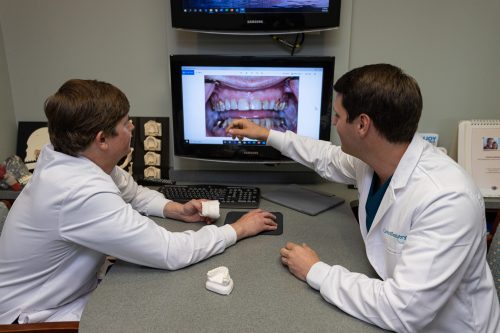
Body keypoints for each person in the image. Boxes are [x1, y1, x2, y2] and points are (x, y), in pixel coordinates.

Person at [226, 64, 500, 332]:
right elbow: (326, 156)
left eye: (337, 116)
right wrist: (266, 134)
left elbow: (404, 311)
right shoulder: (373, 162)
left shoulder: (447, 199)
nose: (334, 124)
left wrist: (316, 271)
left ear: (362, 124)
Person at [0, 79, 277, 324]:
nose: (132, 126)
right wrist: (238, 229)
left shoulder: (74, 160)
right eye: (125, 123)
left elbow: (133, 193)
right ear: (102, 139)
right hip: (35, 316)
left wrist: (176, 209)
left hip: (64, 293)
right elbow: (169, 252)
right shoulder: (79, 191)